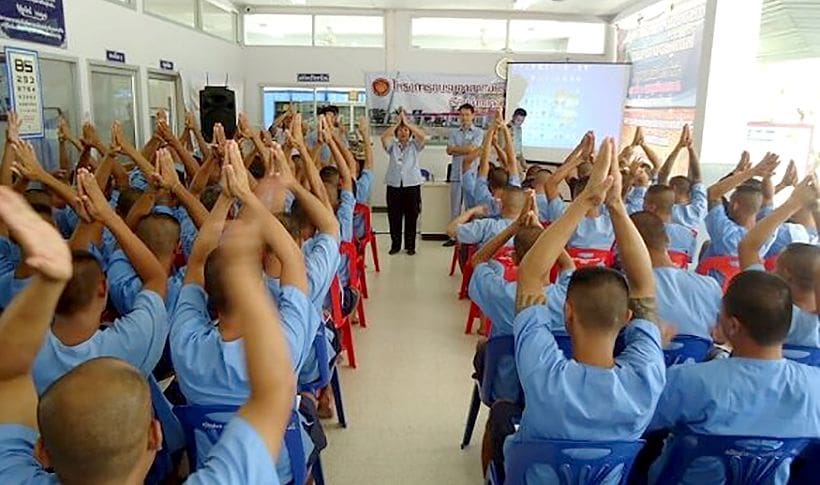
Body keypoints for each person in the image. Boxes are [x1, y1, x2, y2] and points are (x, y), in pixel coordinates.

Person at [0, 185, 296, 483]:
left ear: (42, 450)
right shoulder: (132, 340)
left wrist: (44, 282)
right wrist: (244, 275)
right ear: (154, 436)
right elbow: (275, 392)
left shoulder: (13, 476)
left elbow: (8, 375)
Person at [485, 138, 669, 483]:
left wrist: (583, 202)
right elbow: (644, 285)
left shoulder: (544, 373)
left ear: (567, 314)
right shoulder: (646, 376)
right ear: (628, 318)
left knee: (501, 419)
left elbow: (531, 276)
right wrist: (616, 205)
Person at [647, 269, 820, 485]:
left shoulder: (689, 380)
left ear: (732, 325)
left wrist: (651, 352)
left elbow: (636, 420)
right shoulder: (814, 387)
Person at [738, 176, 820, 348]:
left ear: (786, 274)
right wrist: (814, 208)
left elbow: (749, 246)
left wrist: (793, 204)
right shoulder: (815, 328)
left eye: (776, 267)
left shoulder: (770, 311)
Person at [631, 211, 721, 340]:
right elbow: (722, 337)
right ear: (668, 240)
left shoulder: (625, 289)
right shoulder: (711, 286)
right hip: (700, 359)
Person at [702, 152, 780, 259]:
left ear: (735, 205)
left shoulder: (726, 233)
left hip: (710, 276)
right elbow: (768, 197)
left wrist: (752, 172)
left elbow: (713, 194)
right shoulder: (765, 236)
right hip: (745, 276)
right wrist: (767, 177)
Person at [381, 109, 426, 255]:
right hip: (394, 185)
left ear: (410, 132)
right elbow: (384, 137)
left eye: (405, 130)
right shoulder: (392, 146)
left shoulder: (415, 146)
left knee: (411, 216)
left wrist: (407, 122)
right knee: (394, 216)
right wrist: (397, 123)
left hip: (412, 185)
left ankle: (410, 246)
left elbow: (422, 136)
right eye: (400, 130)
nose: (403, 132)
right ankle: (395, 245)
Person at [444, 103, 484, 247]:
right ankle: (454, 237)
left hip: (471, 175)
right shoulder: (454, 132)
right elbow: (449, 150)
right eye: (462, 115)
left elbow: (472, 149)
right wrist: (465, 150)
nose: (464, 117)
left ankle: (470, 236)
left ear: (473, 115)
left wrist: (458, 149)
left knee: (471, 206)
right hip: (455, 173)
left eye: (467, 114)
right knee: (455, 206)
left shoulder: (479, 132)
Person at [657, 125, 708, 231]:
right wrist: (690, 148)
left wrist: (679, 147)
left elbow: (663, 175)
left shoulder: (664, 208)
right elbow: (697, 177)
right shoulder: (698, 211)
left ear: (673, 188)